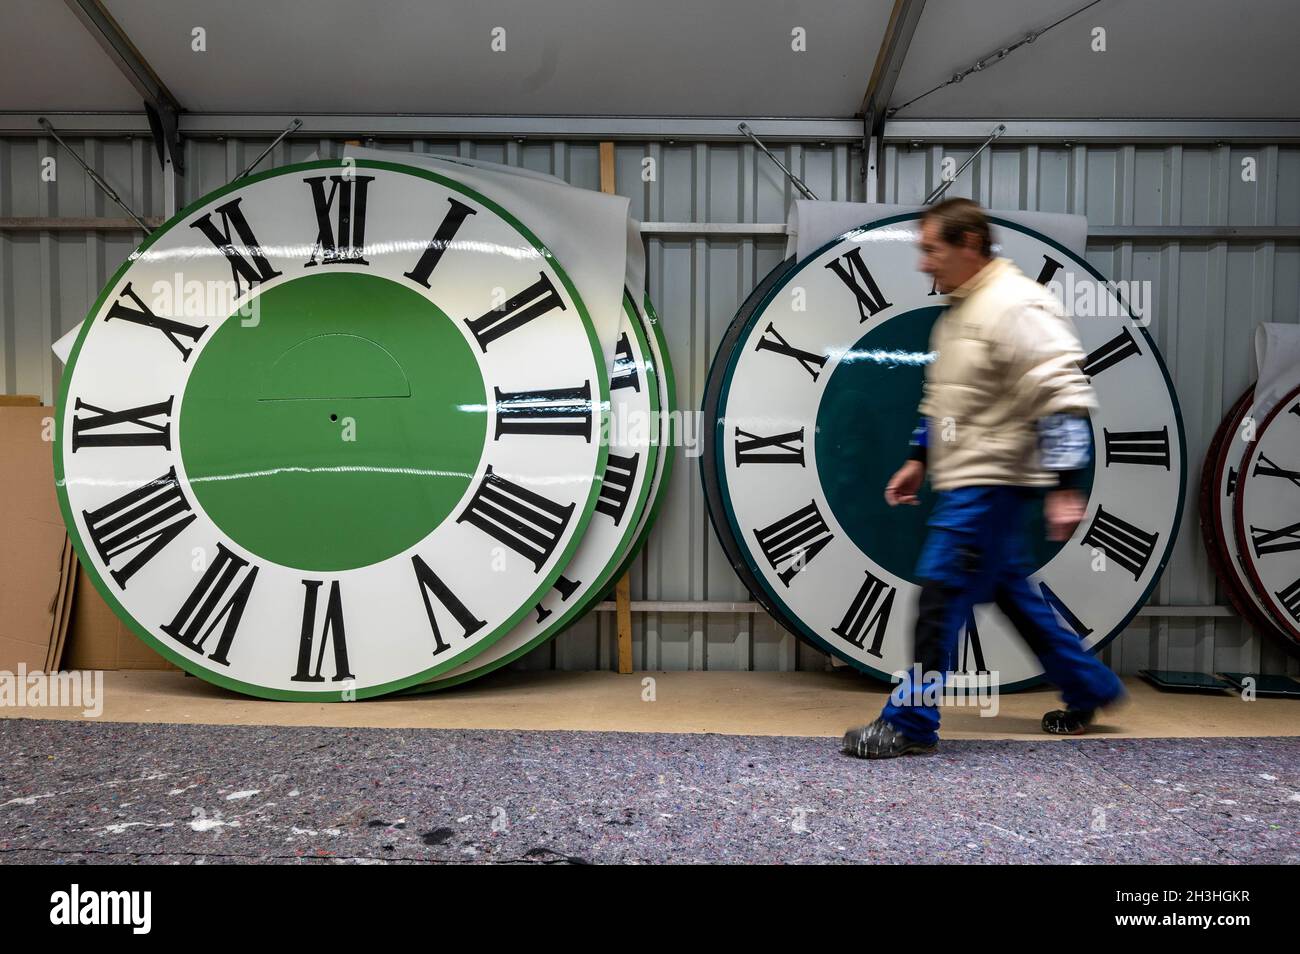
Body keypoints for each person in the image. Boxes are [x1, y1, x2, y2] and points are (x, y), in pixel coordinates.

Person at [842, 197, 1126, 759]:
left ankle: (911, 722)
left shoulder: (1018, 305)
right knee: (1014, 596)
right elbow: (946, 399)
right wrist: (919, 458)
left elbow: (1061, 393)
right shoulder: (960, 314)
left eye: (932, 250)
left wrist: (1066, 485)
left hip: (991, 484)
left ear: (970, 243)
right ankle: (1092, 687)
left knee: (938, 600)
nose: (924, 264)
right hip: (969, 480)